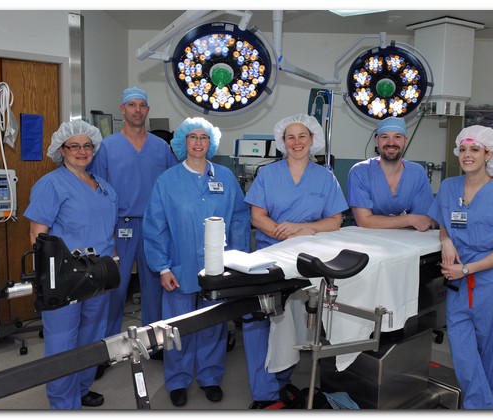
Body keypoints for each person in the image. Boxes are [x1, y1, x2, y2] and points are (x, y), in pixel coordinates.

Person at [242, 113, 348, 408]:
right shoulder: (268, 174)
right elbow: (257, 216)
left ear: (313, 140)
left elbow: (335, 221)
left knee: (294, 321)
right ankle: (263, 391)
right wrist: (282, 231)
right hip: (270, 256)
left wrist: (304, 229)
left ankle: (282, 377)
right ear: (282, 142)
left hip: (307, 260)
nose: (296, 142)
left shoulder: (325, 177)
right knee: (261, 320)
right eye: (290, 137)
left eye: (302, 136)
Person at [143, 117, 250, 407]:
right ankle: (177, 379)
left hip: (218, 268)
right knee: (177, 326)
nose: (198, 142)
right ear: (183, 142)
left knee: (213, 323)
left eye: (204, 137)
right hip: (179, 266)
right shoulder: (167, 181)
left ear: (211, 143)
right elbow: (155, 226)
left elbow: (239, 220)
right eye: (193, 137)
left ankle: (210, 376)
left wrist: (236, 262)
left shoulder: (224, 177)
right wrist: (163, 267)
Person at [23, 120, 118, 409]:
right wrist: (47, 277)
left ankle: (81, 386)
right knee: (62, 341)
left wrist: (112, 262)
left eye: (87, 145)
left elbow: (108, 230)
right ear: (61, 150)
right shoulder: (51, 185)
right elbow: (37, 235)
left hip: (98, 274)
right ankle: (63, 402)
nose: (81, 150)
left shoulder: (104, 187)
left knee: (92, 335)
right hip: (64, 277)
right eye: (74, 146)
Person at [427, 125, 493, 409]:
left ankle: (480, 408)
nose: (466, 155)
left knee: (491, 354)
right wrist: (446, 241)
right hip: (458, 285)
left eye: (474, 150)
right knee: (463, 352)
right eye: (463, 149)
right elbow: (444, 224)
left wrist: (467, 269)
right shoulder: (449, 187)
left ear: (488, 155)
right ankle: (482, 406)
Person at [88, 87, 178, 376]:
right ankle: (106, 351)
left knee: (155, 288)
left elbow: (172, 185)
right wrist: (106, 233)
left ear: (147, 110)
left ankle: (155, 344)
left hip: (154, 226)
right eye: (131, 105)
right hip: (120, 226)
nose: (137, 110)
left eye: (142, 105)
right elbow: (98, 191)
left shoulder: (161, 147)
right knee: (114, 289)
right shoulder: (107, 147)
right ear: (122, 109)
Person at [347, 116, 434, 231]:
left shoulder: (417, 173)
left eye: (397, 137)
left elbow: (423, 220)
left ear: (405, 141)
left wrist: (380, 221)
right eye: (385, 137)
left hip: (407, 239)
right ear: (377, 140)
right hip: (367, 239)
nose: (391, 143)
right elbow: (364, 221)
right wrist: (409, 219)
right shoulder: (360, 172)